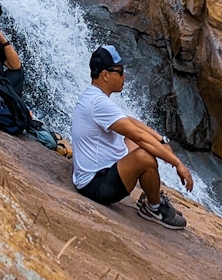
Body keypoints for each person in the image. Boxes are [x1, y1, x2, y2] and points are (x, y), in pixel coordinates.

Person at [70, 44, 192, 230]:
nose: (124, 76)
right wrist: (177, 164)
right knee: (145, 156)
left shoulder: (93, 96)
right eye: (120, 71)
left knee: (133, 141)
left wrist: (161, 141)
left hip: (101, 170)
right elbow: (141, 137)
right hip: (96, 186)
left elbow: (129, 122)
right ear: (105, 75)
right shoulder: (98, 103)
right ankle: (154, 208)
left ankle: (152, 197)